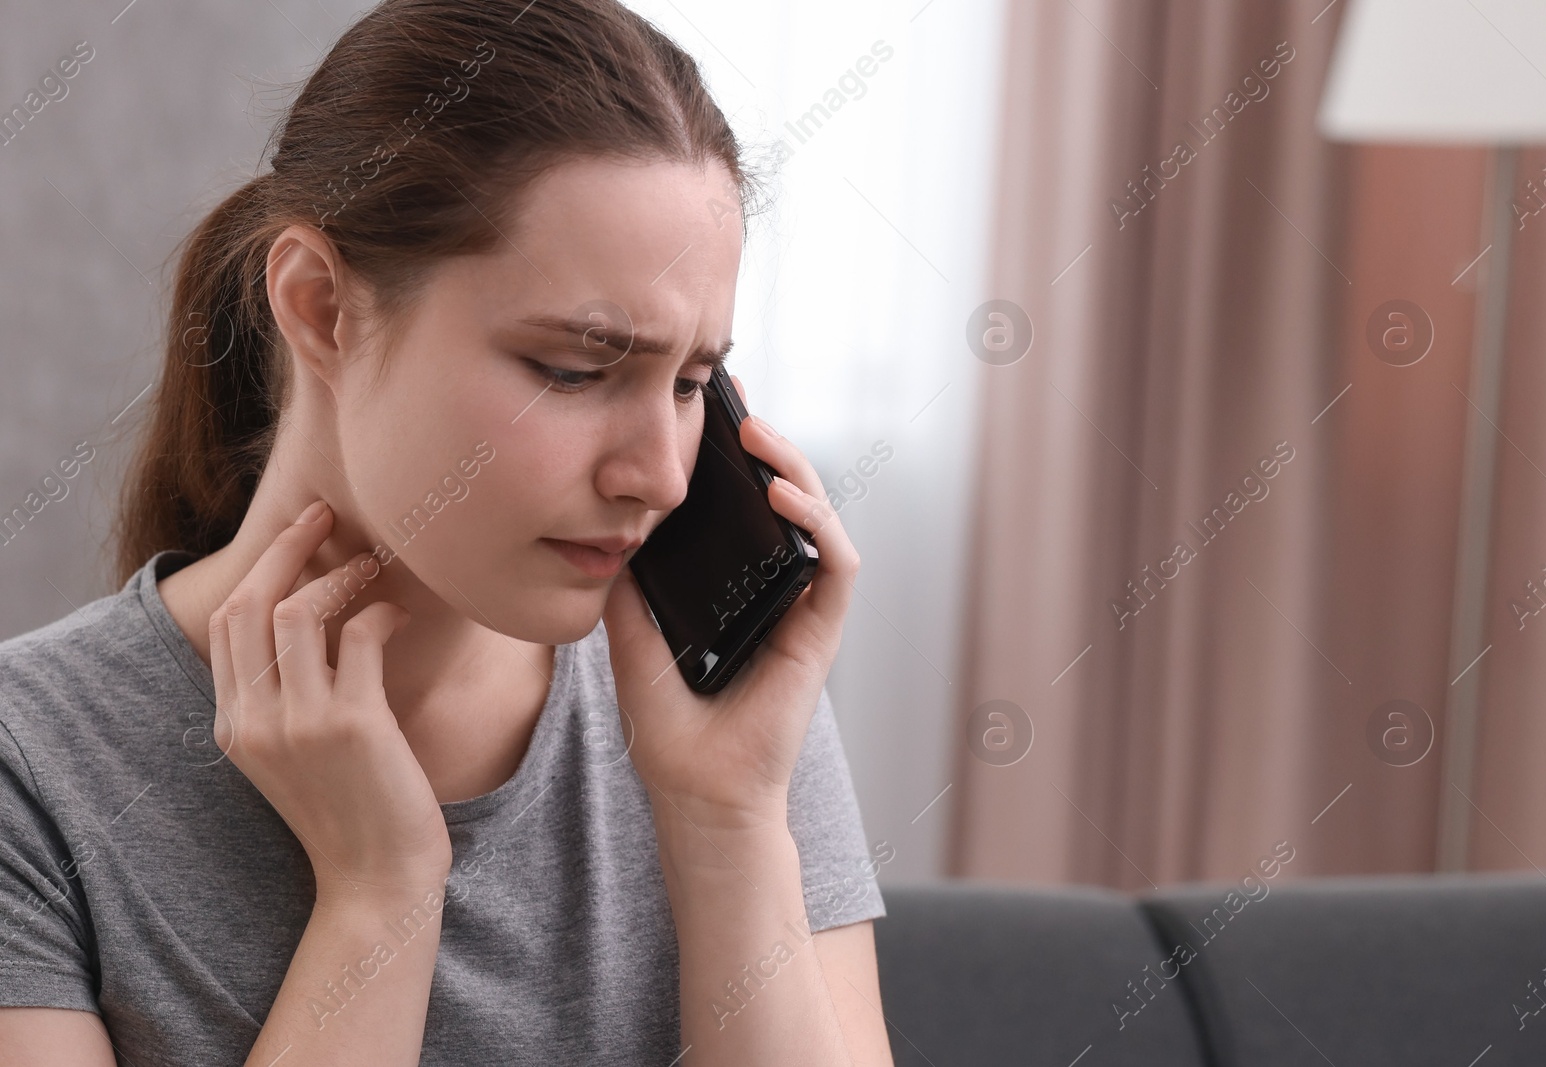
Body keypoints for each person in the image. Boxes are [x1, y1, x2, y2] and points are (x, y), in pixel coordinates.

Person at [0, 0, 894, 1063]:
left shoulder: (719, 711)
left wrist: (728, 822)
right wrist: (379, 894)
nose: (657, 473)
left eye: (694, 381)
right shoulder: (35, 772)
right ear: (320, 305)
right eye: (573, 368)